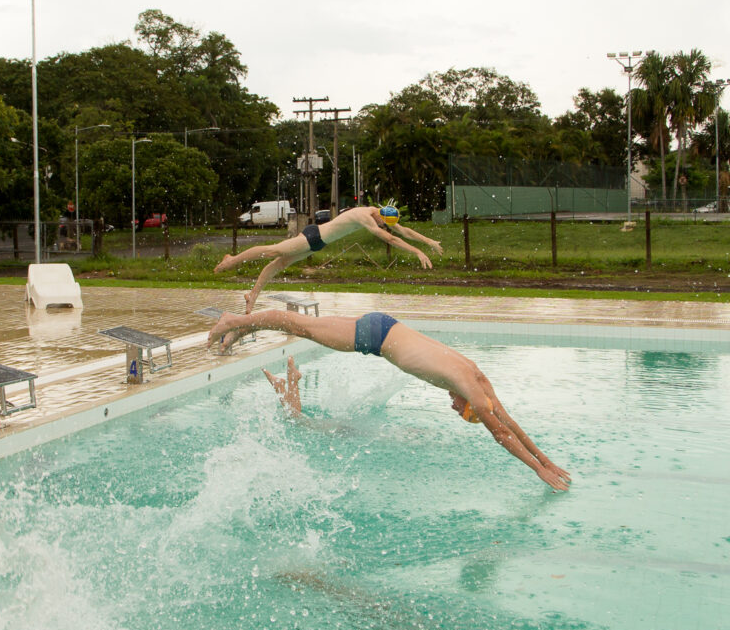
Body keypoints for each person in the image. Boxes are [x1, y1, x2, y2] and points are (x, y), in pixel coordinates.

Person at [210, 307, 571, 491]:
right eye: (460, 411)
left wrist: (548, 459)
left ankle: (236, 330)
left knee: (299, 326)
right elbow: (501, 433)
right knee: (298, 325)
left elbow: (509, 421)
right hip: (374, 336)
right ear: (472, 407)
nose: (453, 407)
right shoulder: (477, 395)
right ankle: (233, 320)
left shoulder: (476, 376)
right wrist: (538, 470)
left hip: (383, 328)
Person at [214, 205, 444, 310]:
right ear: (378, 215)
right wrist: (415, 252)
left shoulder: (380, 214)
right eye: (383, 223)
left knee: (279, 264)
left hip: (318, 244)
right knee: (275, 251)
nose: (383, 226)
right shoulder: (364, 216)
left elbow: (403, 232)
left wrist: (428, 242)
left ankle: (253, 295)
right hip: (313, 235)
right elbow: (390, 239)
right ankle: (231, 260)